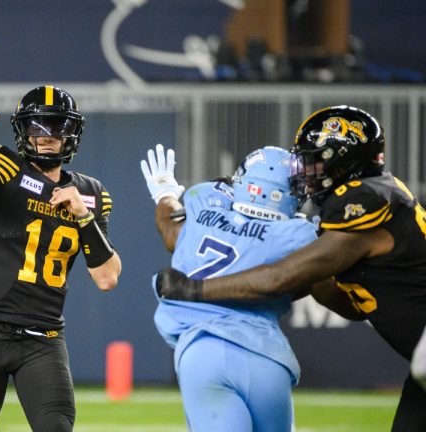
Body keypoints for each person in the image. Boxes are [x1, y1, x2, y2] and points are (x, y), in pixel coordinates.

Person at [154, 105, 426, 431]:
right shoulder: (370, 194)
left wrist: (194, 289)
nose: (308, 171)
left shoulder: (362, 200)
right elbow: (348, 304)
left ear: (347, 161)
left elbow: (284, 276)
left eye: (317, 160)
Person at [0, 83, 122, 431]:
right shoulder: (5, 165)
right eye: (38, 126)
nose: (48, 136)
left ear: (72, 133)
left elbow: (107, 277)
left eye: (58, 126)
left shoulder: (91, 193)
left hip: (44, 336)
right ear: (23, 130)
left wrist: (83, 214)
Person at [141, 143, 360, 431]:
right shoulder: (298, 234)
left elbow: (170, 227)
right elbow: (327, 290)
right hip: (266, 359)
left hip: (202, 352)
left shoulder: (203, 201)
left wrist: (164, 193)